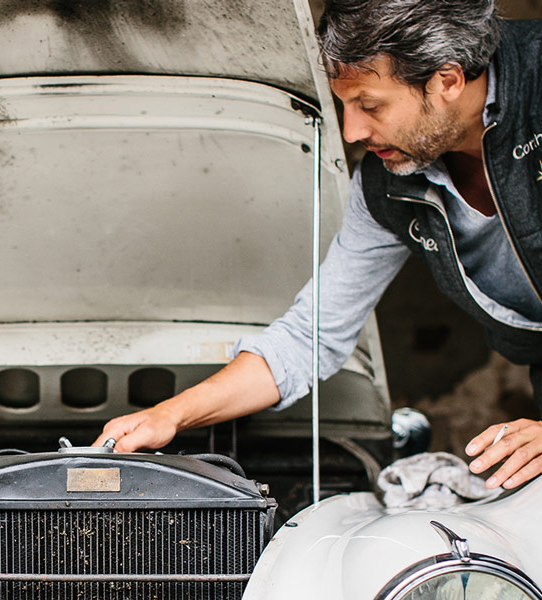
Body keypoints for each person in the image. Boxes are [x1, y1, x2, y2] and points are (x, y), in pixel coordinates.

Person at [95, 0, 542, 491]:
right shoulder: (386, 188)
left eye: (370, 106)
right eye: (343, 106)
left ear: (447, 80)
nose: (353, 132)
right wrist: (170, 415)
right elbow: (310, 337)